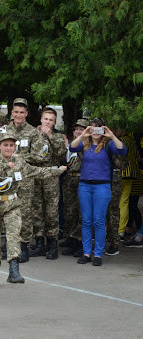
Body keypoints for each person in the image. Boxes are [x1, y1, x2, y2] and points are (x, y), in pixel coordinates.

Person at [0, 132, 66, 288]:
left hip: (12, 204)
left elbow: (37, 171)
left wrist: (57, 171)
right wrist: (5, 165)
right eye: (5, 145)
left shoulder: (20, 163)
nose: (8, 148)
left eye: (11, 145)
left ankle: (14, 269)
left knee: (13, 235)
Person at [0, 98, 46, 262]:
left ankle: (23, 247)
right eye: (16, 112)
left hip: (24, 180)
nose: (18, 115)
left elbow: (39, 156)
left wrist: (18, 157)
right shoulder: (2, 131)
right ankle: (10, 246)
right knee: (6, 212)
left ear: (27, 114)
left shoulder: (33, 133)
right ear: (12, 113)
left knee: (24, 213)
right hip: (6, 179)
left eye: (22, 112)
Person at [69, 118, 127, 266]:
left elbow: (122, 150)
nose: (95, 132)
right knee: (86, 221)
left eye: (98, 129)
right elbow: (71, 147)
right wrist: (83, 134)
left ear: (103, 130)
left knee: (99, 221)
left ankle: (98, 254)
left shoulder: (108, 145)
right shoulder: (84, 144)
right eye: (93, 129)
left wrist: (111, 135)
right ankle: (87, 252)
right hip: (85, 186)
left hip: (102, 186)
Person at [30, 107, 67, 260]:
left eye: (51, 120)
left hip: (51, 176)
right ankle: (39, 243)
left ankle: (52, 244)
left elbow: (61, 154)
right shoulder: (33, 134)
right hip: (37, 175)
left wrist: (50, 135)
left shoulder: (58, 137)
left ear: (54, 122)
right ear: (41, 119)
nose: (48, 122)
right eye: (46, 119)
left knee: (51, 212)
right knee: (37, 210)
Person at [61, 118, 88, 256]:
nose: (78, 131)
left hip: (82, 178)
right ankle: (71, 239)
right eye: (77, 129)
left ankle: (80, 242)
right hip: (69, 179)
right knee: (69, 211)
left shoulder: (88, 145)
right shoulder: (70, 144)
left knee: (81, 213)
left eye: (82, 129)